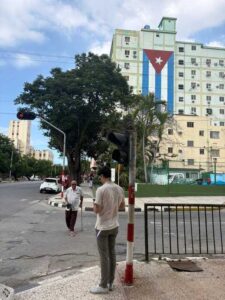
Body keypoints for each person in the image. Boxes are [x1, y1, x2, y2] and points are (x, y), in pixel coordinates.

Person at [90, 166, 125, 294]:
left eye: (100, 176)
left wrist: (94, 203)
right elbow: (122, 206)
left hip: (102, 227)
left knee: (104, 257)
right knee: (112, 254)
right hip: (114, 226)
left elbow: (97, 210)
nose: (99, 178)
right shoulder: (119, 189)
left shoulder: (101, 190)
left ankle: (103, 285)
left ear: (103, 176)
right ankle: (110, 283)